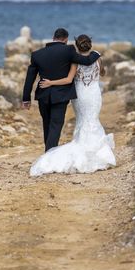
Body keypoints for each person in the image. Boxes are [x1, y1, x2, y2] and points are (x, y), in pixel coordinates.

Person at [29, 34, 115, 175]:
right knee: (93, 120)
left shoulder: (74, 61)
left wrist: (50, 82)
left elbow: (68, 80)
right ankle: (98, 154)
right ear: (90, 44)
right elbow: (103, 73)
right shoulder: (97, 58)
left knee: (82, 121)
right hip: (94, 94)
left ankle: (83, 152)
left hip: (80, 95)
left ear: (76, 45)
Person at [22, 28, 100, 151]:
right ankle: (49, 155)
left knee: (47, 124)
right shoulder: (69, 50)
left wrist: (26, 99)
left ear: (53, 38)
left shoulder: (36, 54)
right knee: (56, 125)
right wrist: (96, 54)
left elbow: (29, 78)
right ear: (65, 39)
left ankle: (48, 151)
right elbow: (86, 61)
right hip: (61, 95)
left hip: (43, 94)